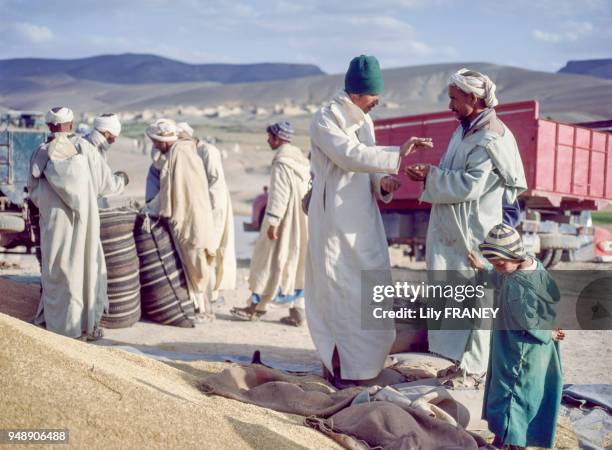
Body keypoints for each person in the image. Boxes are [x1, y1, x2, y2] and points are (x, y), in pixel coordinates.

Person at [306, 55, 433, 385]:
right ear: (358, 92)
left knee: (370, 287)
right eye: (374, 95)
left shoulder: (364, 121)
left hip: (362, 219)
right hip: (334, 220)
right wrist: (398, 153)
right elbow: (348, 155)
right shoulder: (325, 119)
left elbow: (369, 163)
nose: (378, 101)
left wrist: (384, 182)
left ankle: (367, 368)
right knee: (340, 293)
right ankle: (340, 370)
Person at [405, 68, 527, 376]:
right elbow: (453, 169)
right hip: (454, 230)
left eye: (454, 99)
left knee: (477, 300)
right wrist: (428, 171)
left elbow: (470, 185)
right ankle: (458, 364)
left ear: (473, 98)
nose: (449, 106)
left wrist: (430, 176)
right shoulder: (465, 128)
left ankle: (475, 371)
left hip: (473, 233)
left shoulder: (490, 138)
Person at [469, 224, 564, 449]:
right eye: (494, 264)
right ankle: (507, 438)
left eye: (499, 264)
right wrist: (484, 268)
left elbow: (529, 322)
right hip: (535, 348)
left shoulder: (518, 288)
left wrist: (548, 331)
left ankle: (512, 443)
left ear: (516, 255)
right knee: (528, 395)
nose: (498, 268)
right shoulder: (532, 266)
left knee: (512, 396)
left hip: (520, 350)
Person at [28, 106, 110, 340]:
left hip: (55, 223)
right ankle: (85, 327)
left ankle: (58, 326)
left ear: (49, 126)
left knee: (57, 271)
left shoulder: (40, 153)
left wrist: (49, 205)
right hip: (84, 222)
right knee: (83, 270)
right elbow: (103, 183)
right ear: (72, 125)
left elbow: (33, 191)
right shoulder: (85, 149)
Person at [230, 121, 310, 326]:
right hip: (300, 220)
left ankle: (256, 308)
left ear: (278, 138)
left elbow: (279, 194)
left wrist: (273, 221)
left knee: (267, 261)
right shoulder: (299, 159)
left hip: (284, 220)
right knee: (294, 261)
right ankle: (297, 310)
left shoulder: (282, 161)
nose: (267, 140)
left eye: (269, 137)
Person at [145, 119, 216, 320]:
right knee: (196, 265)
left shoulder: (178, 154)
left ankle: (201, 310)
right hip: (195, 215)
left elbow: (170, 189)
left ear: (163, 140)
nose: (154, 146)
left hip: (190, 218)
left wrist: (149, 209)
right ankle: (199, 307)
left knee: (196, 265)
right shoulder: (183, 150)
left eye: (156, 142)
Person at [176, 122, 236, 303]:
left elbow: (215, 185)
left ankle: (210, 299)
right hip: (201, 210)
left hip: (214, 210)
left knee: (210, 253)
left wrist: (209, 216)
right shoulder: (191, 152)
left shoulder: (208, 151)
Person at [84, 113, 127, 207]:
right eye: (113, 137)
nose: (114, 141)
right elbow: (104, 184)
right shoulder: (90, 149)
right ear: (106, 133)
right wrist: (121, 180)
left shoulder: (94, 145)